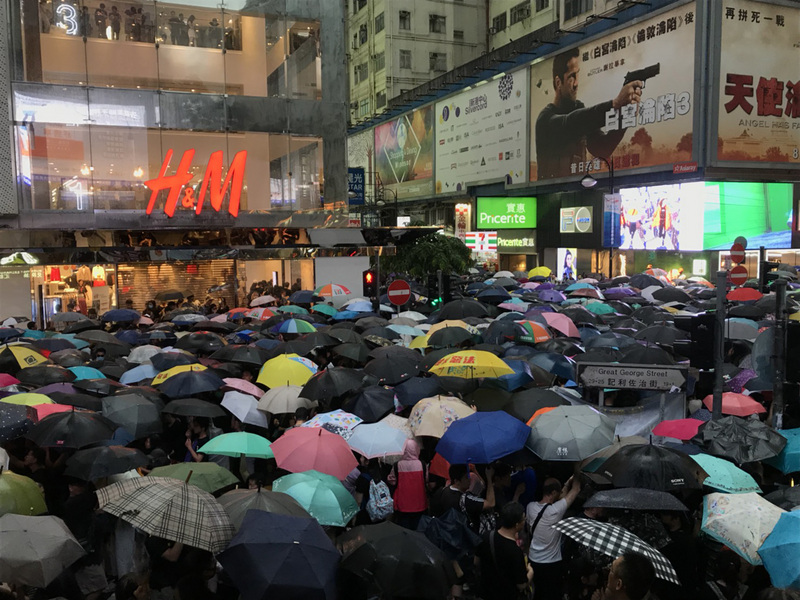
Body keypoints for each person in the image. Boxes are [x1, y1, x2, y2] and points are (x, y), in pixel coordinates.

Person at [535, 47, 642, 179]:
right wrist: (614, 104)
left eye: (577, 74)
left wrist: (625, 116)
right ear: (558, 82)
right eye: (571, 77)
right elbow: (571, 122)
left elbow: (602, 148)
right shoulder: (545, 119)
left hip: (582, 189)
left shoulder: (580, 111)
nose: (576, 83)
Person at [527, 476, 582, 600]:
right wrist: (577, 470)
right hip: (551, 564)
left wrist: (566, 483)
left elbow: (561, 499)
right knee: (552, 594)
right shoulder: (556, 511)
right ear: (553, 493)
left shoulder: (530, 507)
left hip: (533, 559)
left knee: (537, 593)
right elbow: (576, 489)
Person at [475, 502, 533, 600]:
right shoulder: (515, 551)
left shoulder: (486, 536)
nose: (525, 521)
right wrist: (531, 572)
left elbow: (476, 562)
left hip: (485, 593)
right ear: (517, 524)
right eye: (524, 518)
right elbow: (521, 585)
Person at [433, 463, 495, 532]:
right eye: (466, 477)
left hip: (447, 534)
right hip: (466, 537)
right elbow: (491, 503)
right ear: (457, 481)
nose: (469, 479)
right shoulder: (465, 499)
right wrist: (489, 479)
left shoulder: (442, 491)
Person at [387, 438, 428, 529]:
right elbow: (426, 479)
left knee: (404, 529)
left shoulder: (397, 465)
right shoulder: (422, 464)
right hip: (420, 503)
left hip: (402, 505)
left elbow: (392, 481)